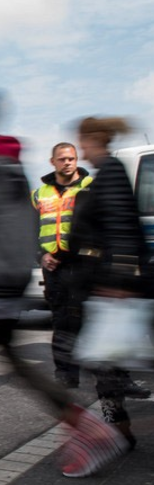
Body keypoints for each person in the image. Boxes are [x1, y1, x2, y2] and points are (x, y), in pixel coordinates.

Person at [0, 90, 128, 478]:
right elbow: (26, 224)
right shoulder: (13, 167)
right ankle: (85, 425)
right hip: (7, 288)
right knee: (17, 365)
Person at [32, 143, 150, 397]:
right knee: (62, 320)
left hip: (87, 263)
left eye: (71, 158)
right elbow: (30, 229)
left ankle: (116, 379)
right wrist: (41, 255)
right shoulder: (39, 194)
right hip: (55, 267)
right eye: (62, 159)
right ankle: (66, 376)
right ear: (52, 161)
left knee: (99, 321)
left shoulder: (92, 186)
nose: (68, 163)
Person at [68, 116, 152, 449]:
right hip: (108, 284)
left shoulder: (113, 173)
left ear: (93, 139)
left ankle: (119, 429)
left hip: (116, 288)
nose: (81, 148)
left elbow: (120, 227)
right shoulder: (107, 174)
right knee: (106, 360)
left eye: (82, 141)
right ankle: (119, 427)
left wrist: (117, 281)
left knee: (105, 360)